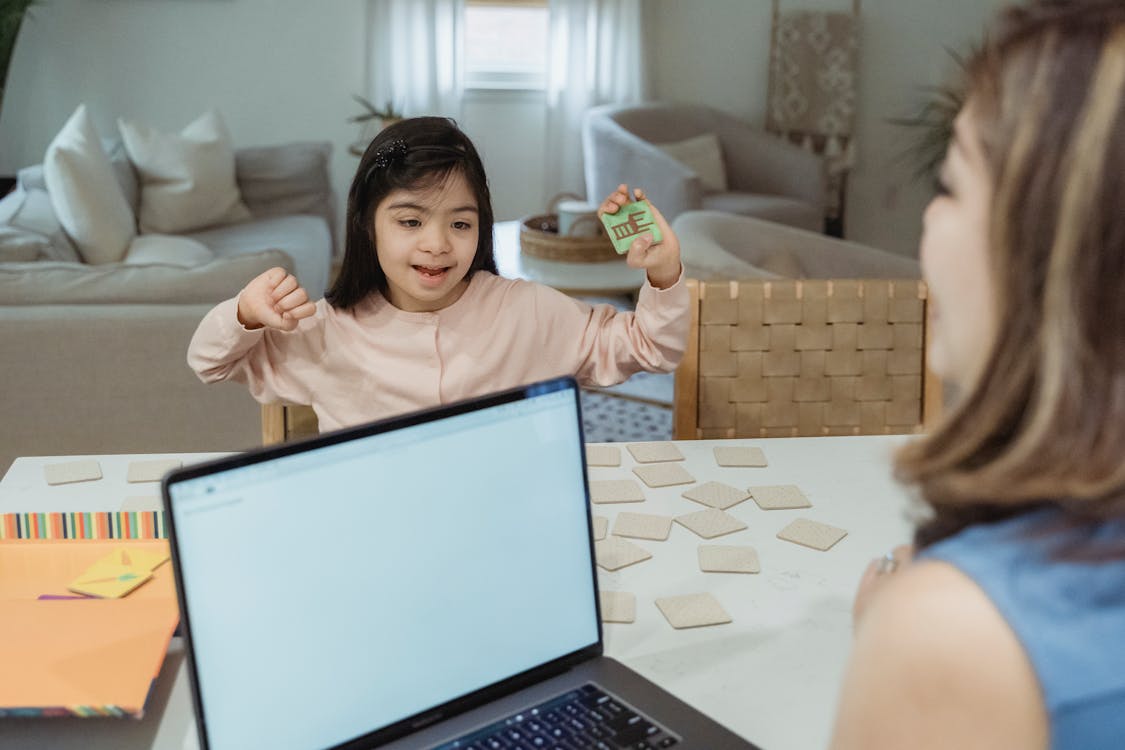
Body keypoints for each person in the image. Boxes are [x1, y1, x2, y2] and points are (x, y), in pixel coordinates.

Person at [830, 2, 1125, 748]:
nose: (926, 221)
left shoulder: (954, 635)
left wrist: (898, 640)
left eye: (950, 184)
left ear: (1048, 253)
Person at [187, 117, 688, 431]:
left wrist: (663, 273)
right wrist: (243, 314)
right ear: (367, 225)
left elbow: (652, 347)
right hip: (377, 534)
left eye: (461, 223)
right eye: (410, 221)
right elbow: (210, 363)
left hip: (503, 525)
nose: (438, 243)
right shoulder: (326, 331)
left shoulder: (529, 310)